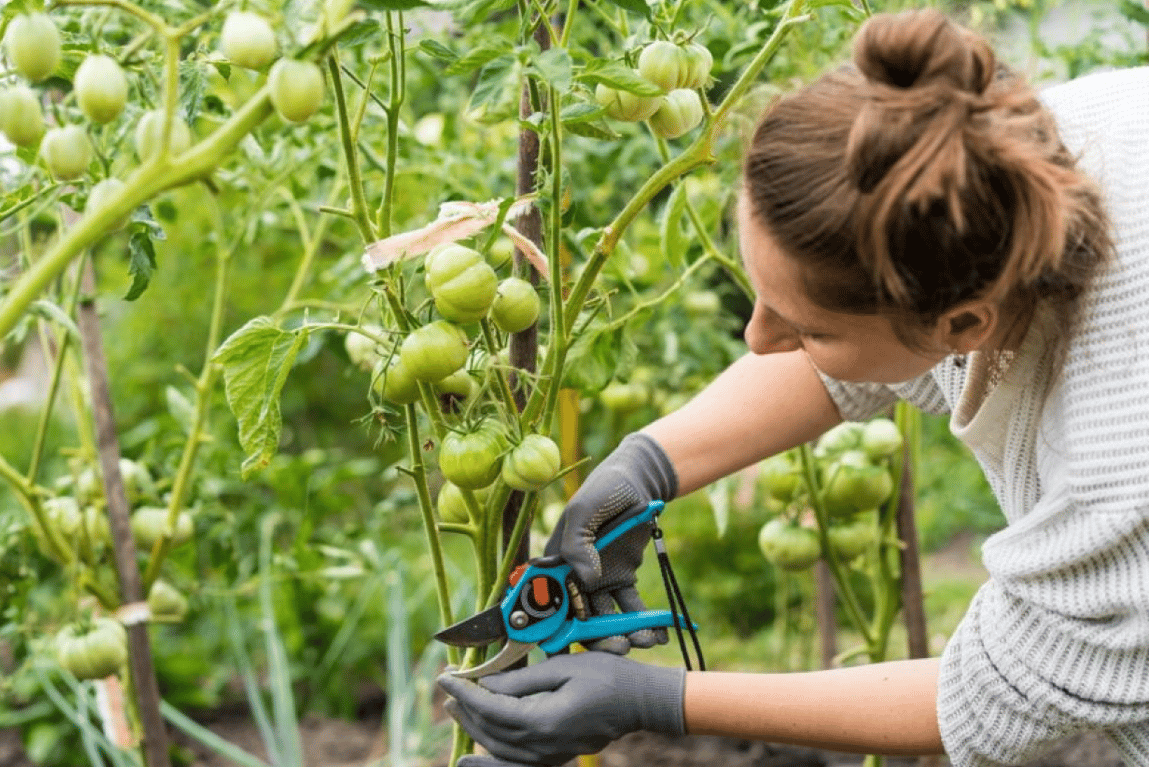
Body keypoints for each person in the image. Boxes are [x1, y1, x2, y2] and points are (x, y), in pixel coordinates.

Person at [437, 8, 1149, 767]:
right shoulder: (986, 154)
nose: (756, 340)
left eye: (806, 327)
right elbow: (851, 347)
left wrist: (652, 699)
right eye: (760, 297)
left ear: (962, 324)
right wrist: (648, 462)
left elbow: (995, 690)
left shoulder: (1120, 454)